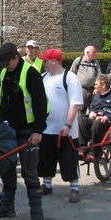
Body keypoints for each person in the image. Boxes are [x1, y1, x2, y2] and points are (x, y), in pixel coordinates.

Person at [0, 42, 48, 220]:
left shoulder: (30, 73)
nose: (5, 66)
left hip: (28, 130)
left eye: (8, 62)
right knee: (7, 169)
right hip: (8, 129)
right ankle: (7, 206)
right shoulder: (5, 72)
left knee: (30, 174)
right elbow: (0, 98)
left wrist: (38, 130)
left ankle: (37, 212)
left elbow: (40, 103)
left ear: (16, 57)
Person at [37, 48, 83, 203]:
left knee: (69, 159)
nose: (43, 63)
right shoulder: (43, 77)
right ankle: (47, 184)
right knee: (46, 158)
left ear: (53, 61)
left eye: (45, 61)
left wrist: (67, 125)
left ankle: (74, 188)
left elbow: (75, 104)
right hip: (47, 128)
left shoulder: (70, 78)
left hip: (66, 130)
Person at [79, 74, 111, 161]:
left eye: (96, 84)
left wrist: (107, 117)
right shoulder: (96, 96)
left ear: (103, 85)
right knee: (81, 119)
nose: (94, 86)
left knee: (98, 122)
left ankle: (94, 152)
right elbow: (93, 107)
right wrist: (92, 112)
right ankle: (82, 149)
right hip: (97, 119)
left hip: (109, 122)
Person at [70, 45, 101, 113]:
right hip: (81, 89)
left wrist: (97, 88)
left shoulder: (95, 62)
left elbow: (99, 75)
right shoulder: (78, 61)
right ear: (87, 52)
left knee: (93, 108)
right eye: (94, 52)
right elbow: (72, 74)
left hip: (93, 89)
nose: (95, 54)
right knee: (80, 109)